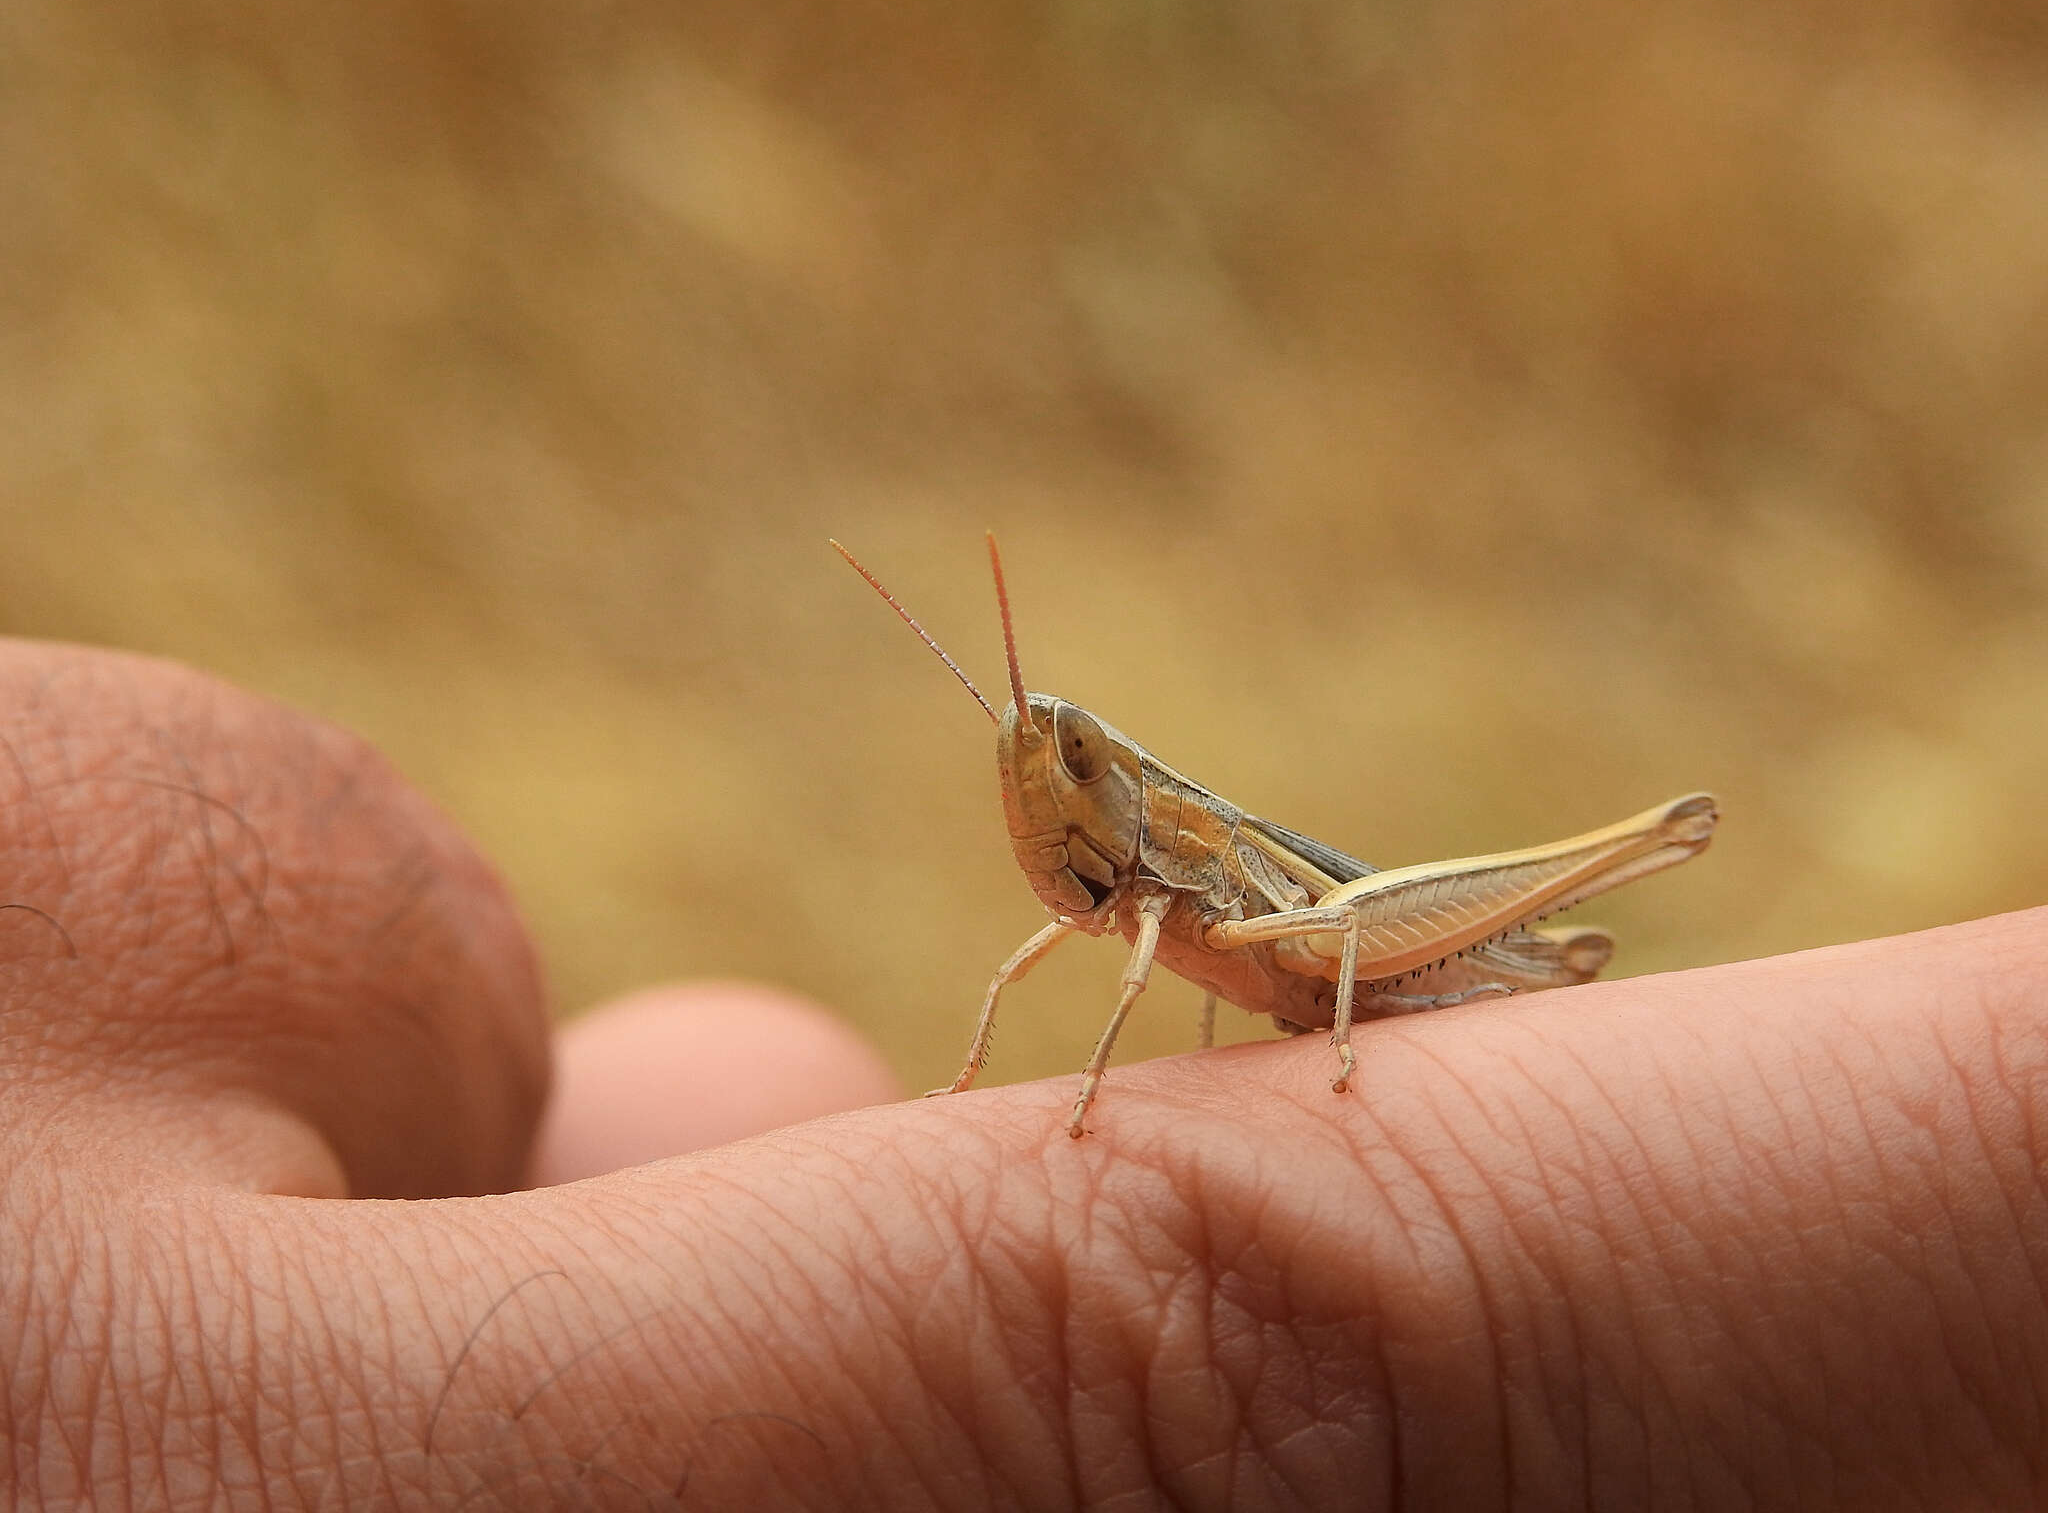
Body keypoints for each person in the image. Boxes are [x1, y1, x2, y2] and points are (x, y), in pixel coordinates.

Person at [3, 642, 2040, 1508]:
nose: (1036, 788)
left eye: (1053, 758)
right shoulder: (1094, 871)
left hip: (1367, 937)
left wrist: (1052, 1080)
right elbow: (1088, 929)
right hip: (1283, 962)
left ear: (1102, 777)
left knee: (1520, 873)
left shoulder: (1175, 856)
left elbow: (1243, 928)